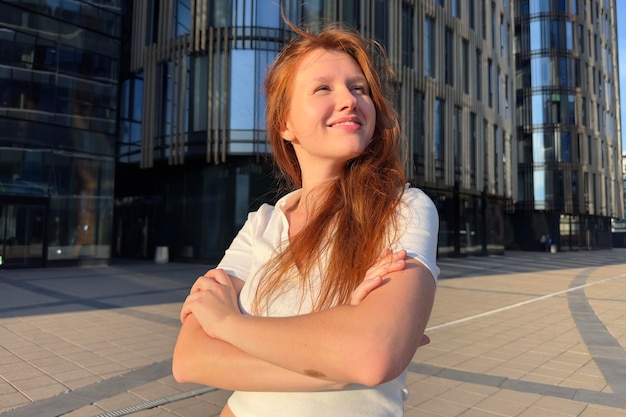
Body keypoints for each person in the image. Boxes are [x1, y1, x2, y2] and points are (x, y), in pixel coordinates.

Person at [172, 17, 439, 417]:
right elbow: (190, 358)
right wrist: (333, 364)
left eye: (359, 88)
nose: (349, 100)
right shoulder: (261, 224)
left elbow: (370, 354)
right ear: (286, 124)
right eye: (323, 88)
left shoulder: (402, 209)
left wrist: (229, 324)